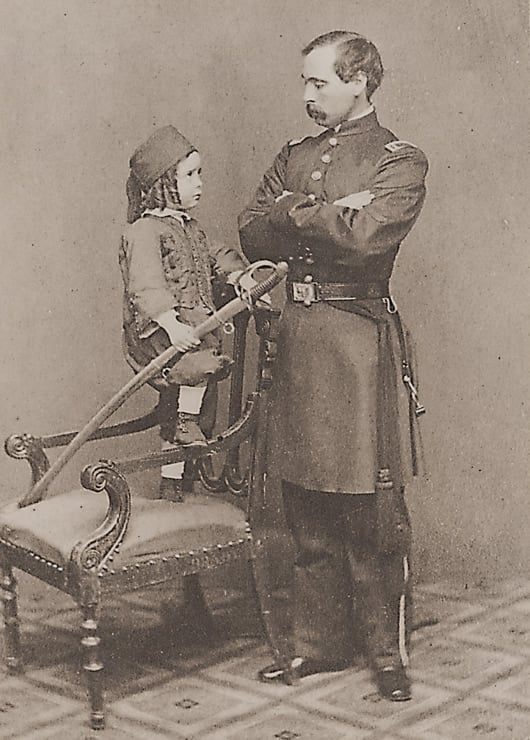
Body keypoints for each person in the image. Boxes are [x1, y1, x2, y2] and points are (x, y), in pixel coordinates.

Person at [238, 31, 428, 701]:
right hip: (298, 342)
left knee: (371, 511)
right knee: (305, 505)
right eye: (306, 82)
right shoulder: (294, 156)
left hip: (357, 349)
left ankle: (386, 655)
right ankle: (318, 646)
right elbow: (252, 230)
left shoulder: (398, 161)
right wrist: (313, 210)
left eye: (318, 82)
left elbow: (365, 238)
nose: (306, 94)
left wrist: (298, 214)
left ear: (359, 81)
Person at [120, 125, 249, 500]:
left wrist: (238, 274)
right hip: (160, 336)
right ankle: (185, 422)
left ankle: (172, 480)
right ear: (163, 183)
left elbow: (214, 256)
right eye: (190, 175)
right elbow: (144, 284)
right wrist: (170, 324)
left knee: (191, 398)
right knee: (195, 376)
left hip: (192, 329)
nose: (199, 183)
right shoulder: (144, 231)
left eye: (200, 173)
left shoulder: (190, 229)